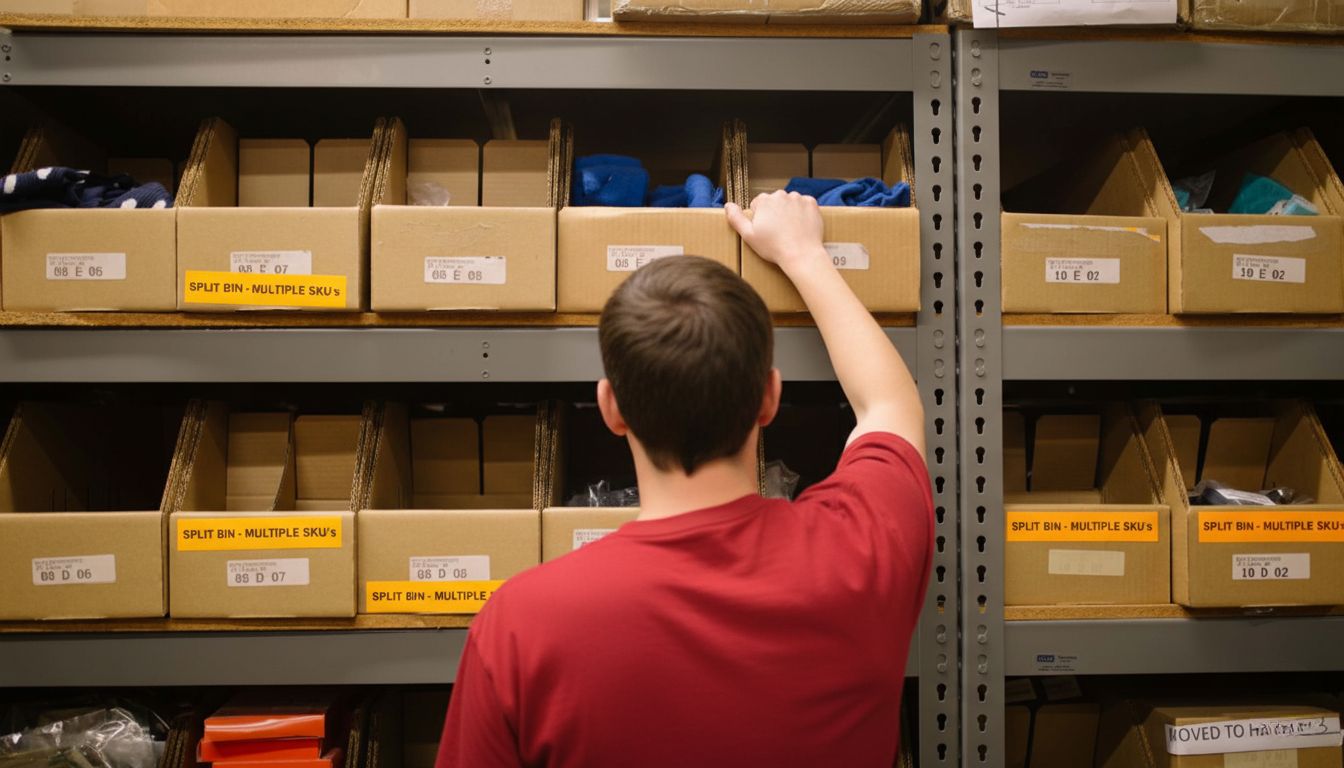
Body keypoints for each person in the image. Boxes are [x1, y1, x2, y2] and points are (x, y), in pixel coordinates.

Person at [435, 191, 933, 767]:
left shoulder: (520, 625)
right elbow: (889, 406)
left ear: (611, 409)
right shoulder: (861, 550)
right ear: (769, 397)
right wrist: (802, 253)